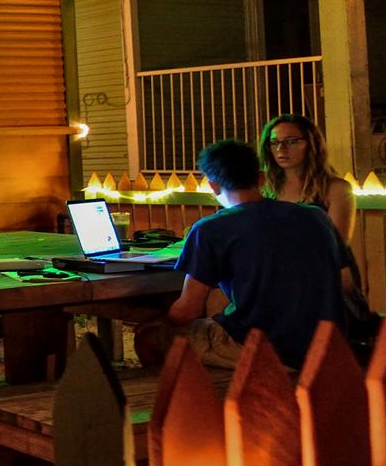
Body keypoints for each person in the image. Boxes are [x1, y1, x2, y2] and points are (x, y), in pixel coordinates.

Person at [133, 139, 345, 369]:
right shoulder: (315, 216)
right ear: (261, 178)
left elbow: (187, 311)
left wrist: (159, 320)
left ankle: (183, 401)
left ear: (213, 186)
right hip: (327, 342)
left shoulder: (211, 229)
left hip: (262, 346)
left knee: (149, 337)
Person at [259, 112, 355, 242]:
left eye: (291, 141)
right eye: (274, 143)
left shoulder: (335, 189)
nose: (281, 149)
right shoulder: (263, 188)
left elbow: (337, 245)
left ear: (311, 143)